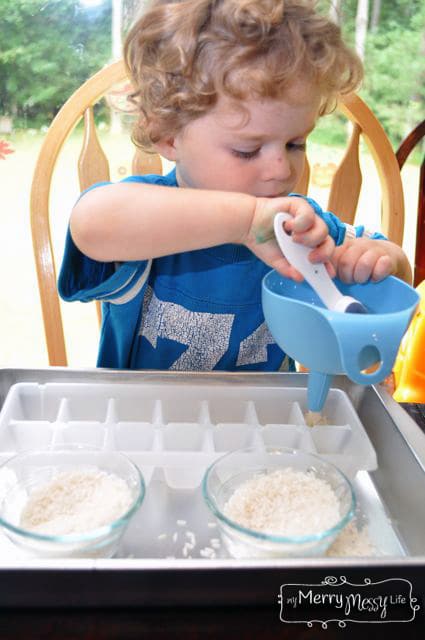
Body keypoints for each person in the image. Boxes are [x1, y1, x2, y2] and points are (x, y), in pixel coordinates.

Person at [58, 0, 411, 371]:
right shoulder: (147, 218)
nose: (280, 168)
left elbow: (392, 282)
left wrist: (379, 260)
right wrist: (245, 221)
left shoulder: (299, 232)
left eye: (295, 144)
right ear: (167, 135)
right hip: (146, 421)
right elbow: (91, 223)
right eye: (247, 150)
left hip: (264, 422)